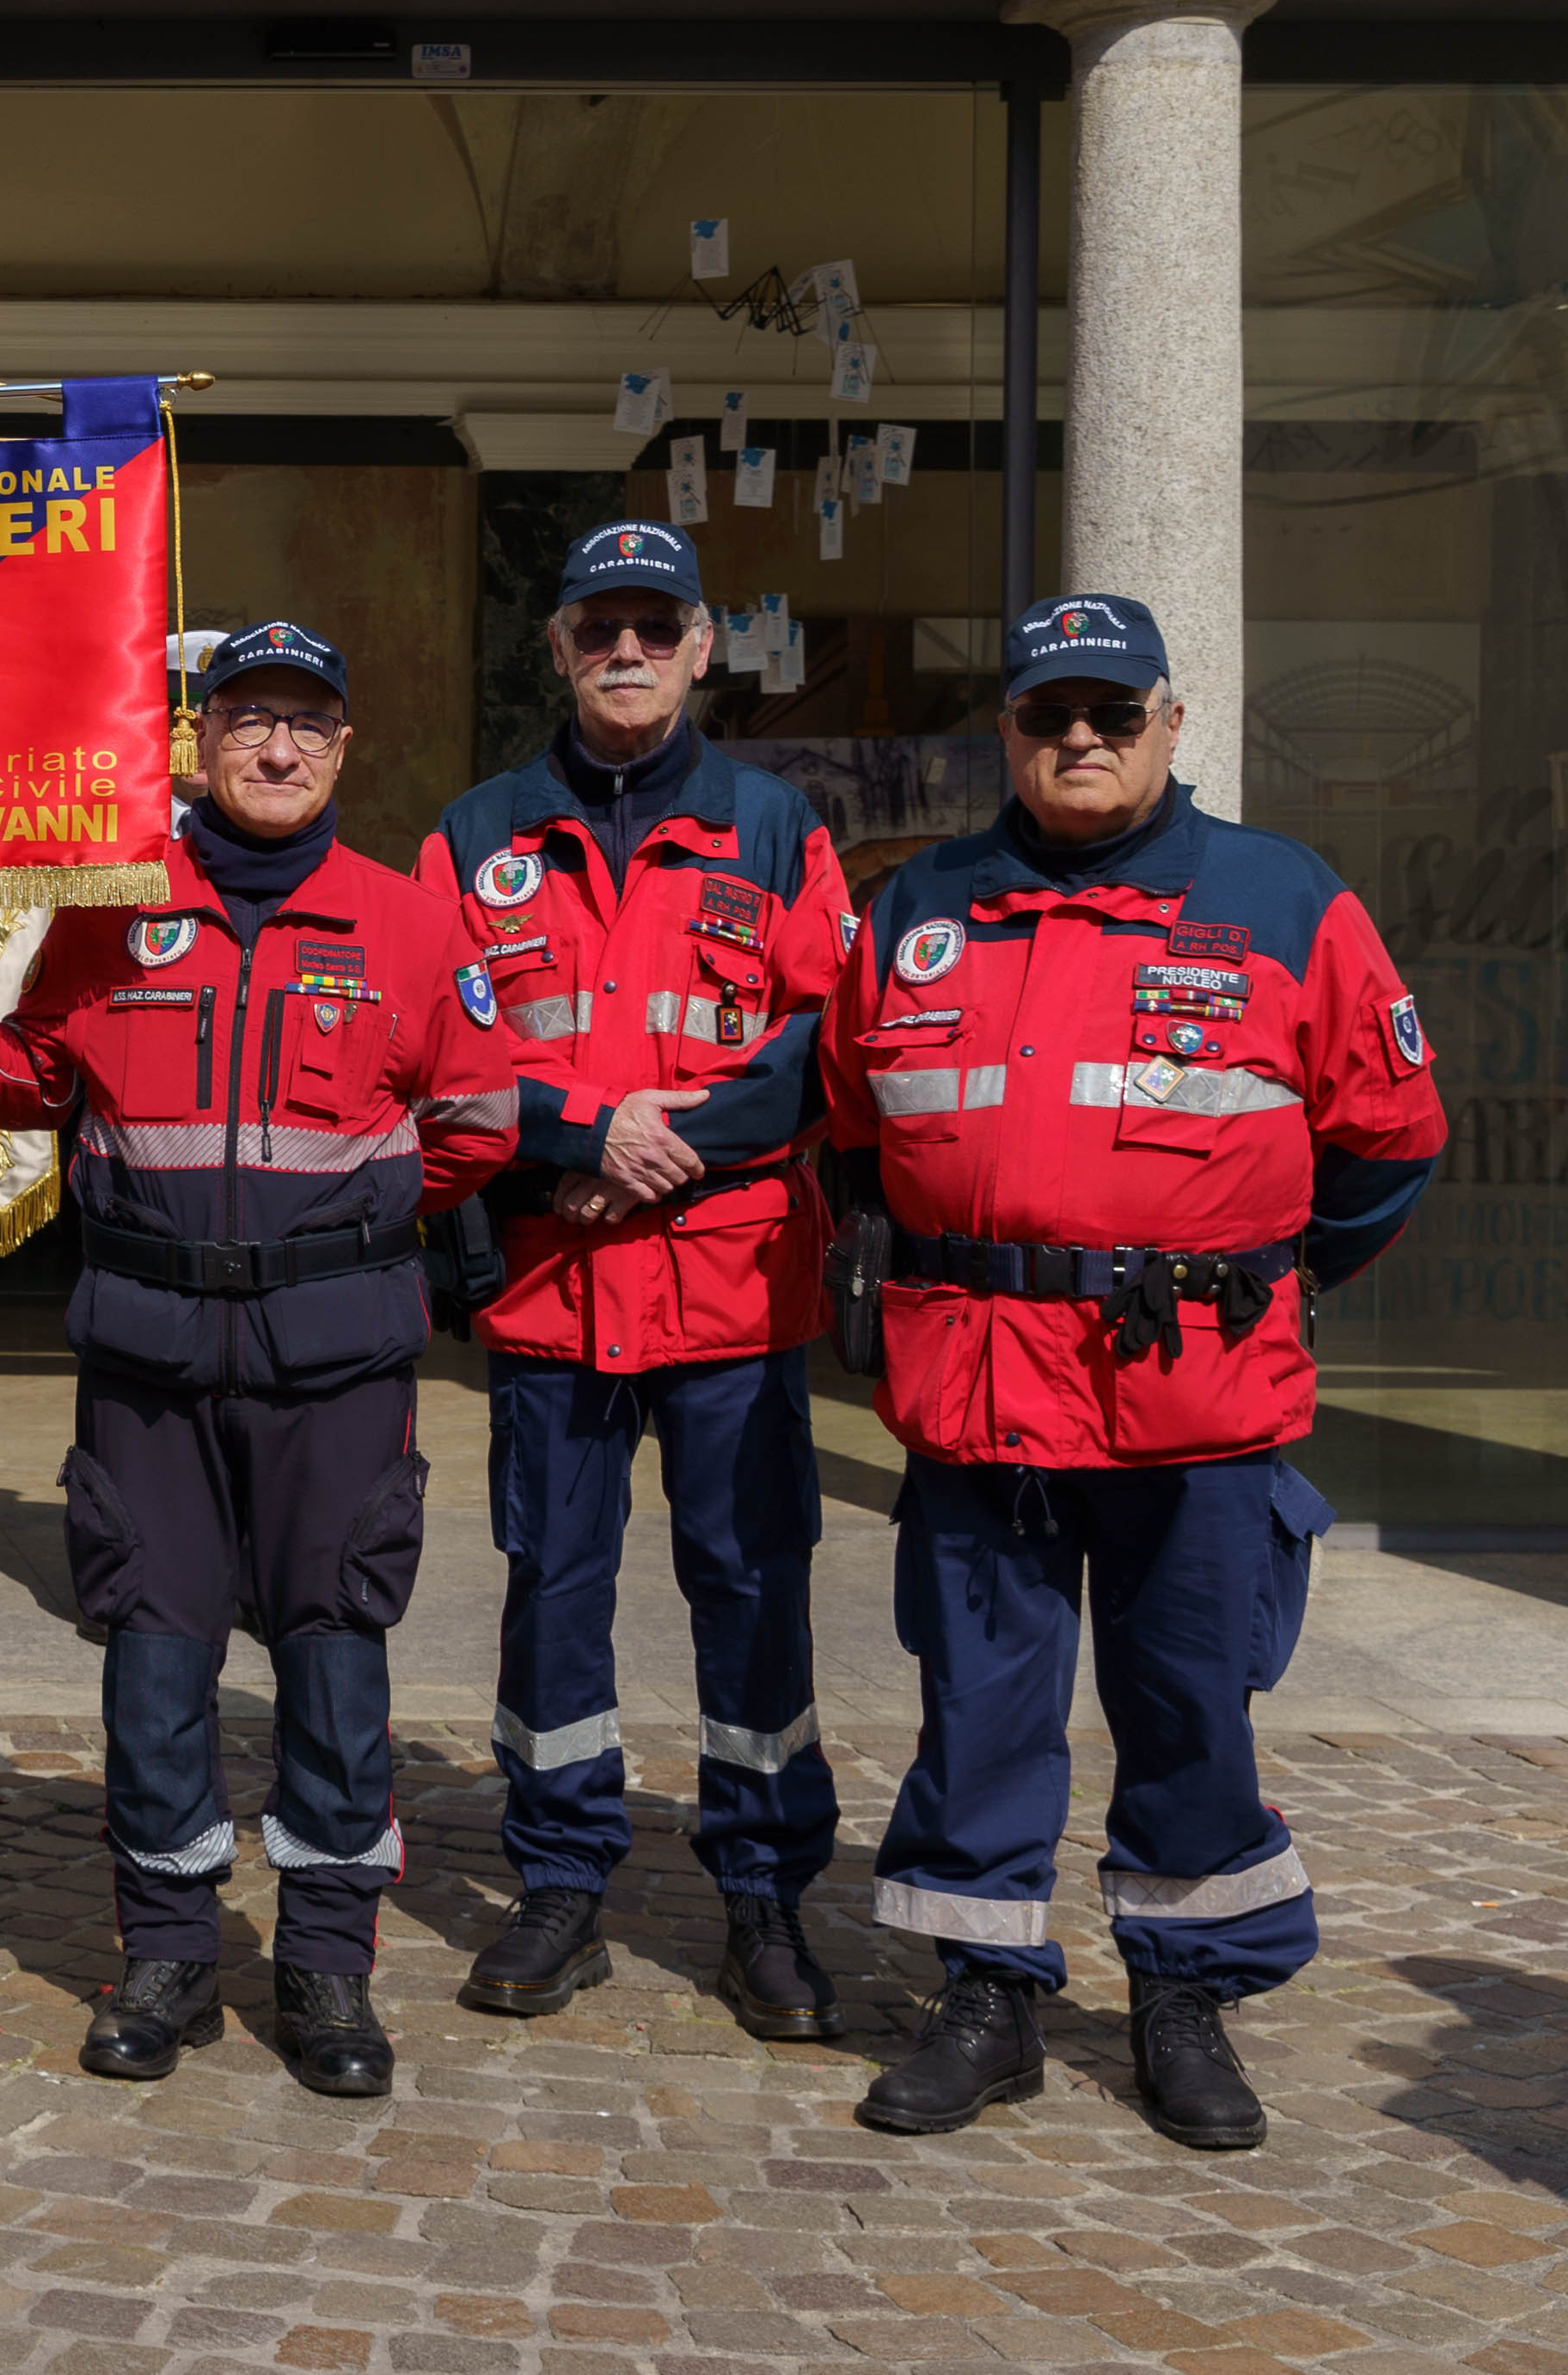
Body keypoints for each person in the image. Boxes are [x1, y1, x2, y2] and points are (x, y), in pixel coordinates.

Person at [0, 620, 516, 2100]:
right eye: (247, 721)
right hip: (148, 1359)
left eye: (304, 724)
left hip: (334, 1369)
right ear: (198, 743)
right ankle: (164, 1948)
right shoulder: (114, 909)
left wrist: (335, 1240)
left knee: (338, 1666)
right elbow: (30, 1081)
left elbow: (477, 1129)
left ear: (344, 748)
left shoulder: (411, 924)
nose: (275, 748)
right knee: (154, 1666)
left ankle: (329, 1967)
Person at [835, 593, 1445, 2153]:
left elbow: (1389, 1133)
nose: (1083, 741)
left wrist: (1279, 1277)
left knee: (1187, 1709)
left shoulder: (1282, 898)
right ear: (1012, 734)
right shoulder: (924, 906)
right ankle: (989, 1996)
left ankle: (1183, 1995)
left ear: (1172, 725)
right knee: (979, 1710)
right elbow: (851, 1118)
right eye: (1052, 717)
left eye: (1115, 715)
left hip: (1192, 1400)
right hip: (980, 1392)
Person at [412, 520, 854, 2039]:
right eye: (600, 624)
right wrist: (579, 1132)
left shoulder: (779, 830)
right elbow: (442, 1051)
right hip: (555, 1281)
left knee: (751, 1592)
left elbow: (825, 1045)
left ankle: (765, 1899)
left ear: (700, 645)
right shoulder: (475, 836)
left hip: (732, 1287)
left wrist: (666, 1147)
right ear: (557, 644)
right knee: (555, 1596)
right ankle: (560, 1884)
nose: (626, 649)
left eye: (654, 627)